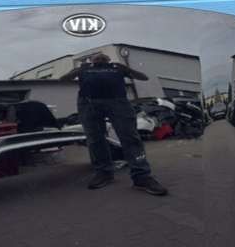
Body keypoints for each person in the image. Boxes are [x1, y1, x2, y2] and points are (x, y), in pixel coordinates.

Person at [60, 53, 168, 195]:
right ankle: (104, 173)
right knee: (95, 139)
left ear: (109, 60)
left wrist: (126, 69)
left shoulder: (117, 67)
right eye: (97, 58)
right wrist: (77, 70)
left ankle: (141, 176)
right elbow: (63, 79)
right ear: (91, 60)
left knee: (130, 137)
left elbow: (143, 77)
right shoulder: (84, 69)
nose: (100, 59)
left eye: (103, 58)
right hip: (88, 103)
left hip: (118, 102)